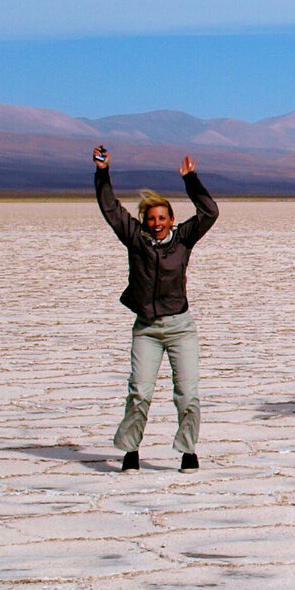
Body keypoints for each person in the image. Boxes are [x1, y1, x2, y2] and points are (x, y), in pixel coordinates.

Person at [93, 147, 218, 473]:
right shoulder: (135, 238)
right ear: (144, 221)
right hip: (147, 328)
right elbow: (110, 207)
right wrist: (103, 172)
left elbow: (209, 212)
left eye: (163, 218)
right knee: (139, 393)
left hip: (180, 328)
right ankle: (131, 451)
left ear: (171, 220)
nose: (157, 223)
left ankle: (188, 451)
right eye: (151, 218)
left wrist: (191, 181)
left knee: (187, 394)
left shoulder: (184, 239)